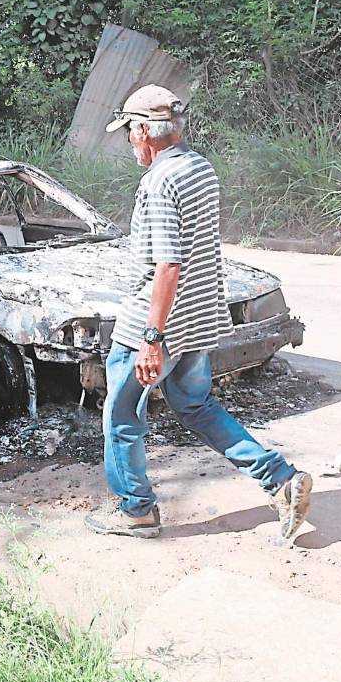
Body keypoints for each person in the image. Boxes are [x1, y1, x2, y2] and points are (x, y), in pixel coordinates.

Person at [84, 85, 312, 542]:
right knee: (195, 404)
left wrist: (152, 337)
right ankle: (279, 479)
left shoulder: (159, 181)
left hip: (158, 322)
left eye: (130, 130)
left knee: (121, 414)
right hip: (197, 317)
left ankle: (136, 512)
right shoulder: (199, 168)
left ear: (145, 130)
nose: (130, 140)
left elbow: (169, 262)